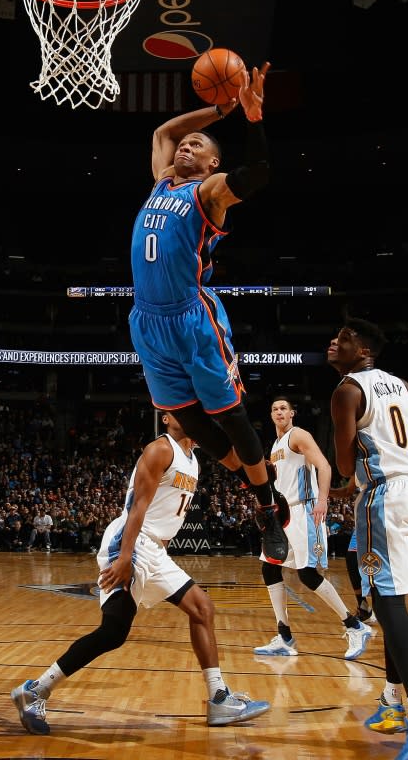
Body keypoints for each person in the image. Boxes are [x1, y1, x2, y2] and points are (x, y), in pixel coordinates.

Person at [11, 412, 270, 735]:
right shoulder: (160, 450)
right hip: (133, 541)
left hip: (155, 549)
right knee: (113, 631)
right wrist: (125, 555)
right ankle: (36, 690)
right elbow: (137, 506)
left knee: (202, 608)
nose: (186, 415)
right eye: (177, 410)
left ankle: (219, 698)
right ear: (165, 419)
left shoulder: (193, 459)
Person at [127, 60, 288, 565]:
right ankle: (258, 478)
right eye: (186, 144)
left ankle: (265, 510)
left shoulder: (207, 194)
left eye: (198, 145)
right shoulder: (161, 182)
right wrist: (218, 109)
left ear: (213, 164)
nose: (185, 145)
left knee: (231, 416)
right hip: (147, 321)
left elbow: (258, 174)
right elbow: (162, 129)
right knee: (193, 424)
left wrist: (251, 116)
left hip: (192, 318)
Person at [328, 318, 408, 760]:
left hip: (384, 499)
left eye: (343, 338)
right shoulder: (398, 384)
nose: (334, 343)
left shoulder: (347, 389)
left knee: (387, 603)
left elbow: (346, 463)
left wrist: (357, 467)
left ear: (363, 348)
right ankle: (390, 701)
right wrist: (397, 449)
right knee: (394, 598)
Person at [253, 397, 372, 661]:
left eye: (284, 408)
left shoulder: (298, 435)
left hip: (304, 510)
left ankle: (355, 625)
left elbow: (324, 466)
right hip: (283, 513)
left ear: (292, 413)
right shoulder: (275, 446)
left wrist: (322, 500)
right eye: (274, 409)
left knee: (307, 574)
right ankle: (284, 636)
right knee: (269, 567)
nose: (279, 412)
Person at [329, 481, 408, 633]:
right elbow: (348, 488)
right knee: (352, 558)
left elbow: (347, 480)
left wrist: (324, 489)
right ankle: (363, 607)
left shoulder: (383, 466)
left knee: (406, 564)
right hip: (377, 504)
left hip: (391, 501)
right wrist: (326, 491)